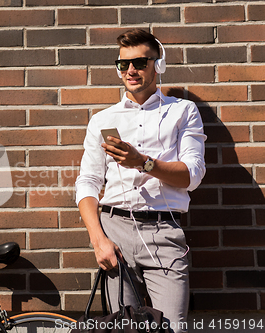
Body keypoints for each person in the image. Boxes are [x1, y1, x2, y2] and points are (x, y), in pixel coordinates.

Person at [75, 29, 206, 333]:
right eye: (123, 64)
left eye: (140, 62)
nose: (131, 71)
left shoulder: (182, 111)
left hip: (163, 230)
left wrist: (143, 163)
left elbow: (192, 175)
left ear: (157, 65)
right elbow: (88, 182)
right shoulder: (102, 120)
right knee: (125, 329)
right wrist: (98, 240)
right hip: (114, 232)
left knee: (173, 327)